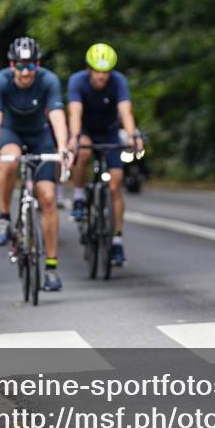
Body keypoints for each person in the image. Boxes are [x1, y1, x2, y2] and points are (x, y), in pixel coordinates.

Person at [0, 36, 71, 291]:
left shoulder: (48, 80)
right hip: (11, 132)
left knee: (47, 198)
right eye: (20, 66)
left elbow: (57, 116)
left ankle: (51, 268)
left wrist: (63, 147)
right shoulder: (0, 82)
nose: (25, 72)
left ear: (38, 65)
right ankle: (3, 217)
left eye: (30, 66)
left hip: (40, 135)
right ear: (12, 65)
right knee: (8, 161)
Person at [67, 42, 144, 266]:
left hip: (109, 132)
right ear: (89, 68)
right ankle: (80, 197)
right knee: (82, 153)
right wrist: (74, 137)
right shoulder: (77, 81)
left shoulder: (118, 81)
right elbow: (74, 113)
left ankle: (117, 241)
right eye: (98, 71)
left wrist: (132, 136)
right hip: (86, 130)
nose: (102, 76)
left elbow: (125, 111)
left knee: (115, 184)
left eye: (106, 71)